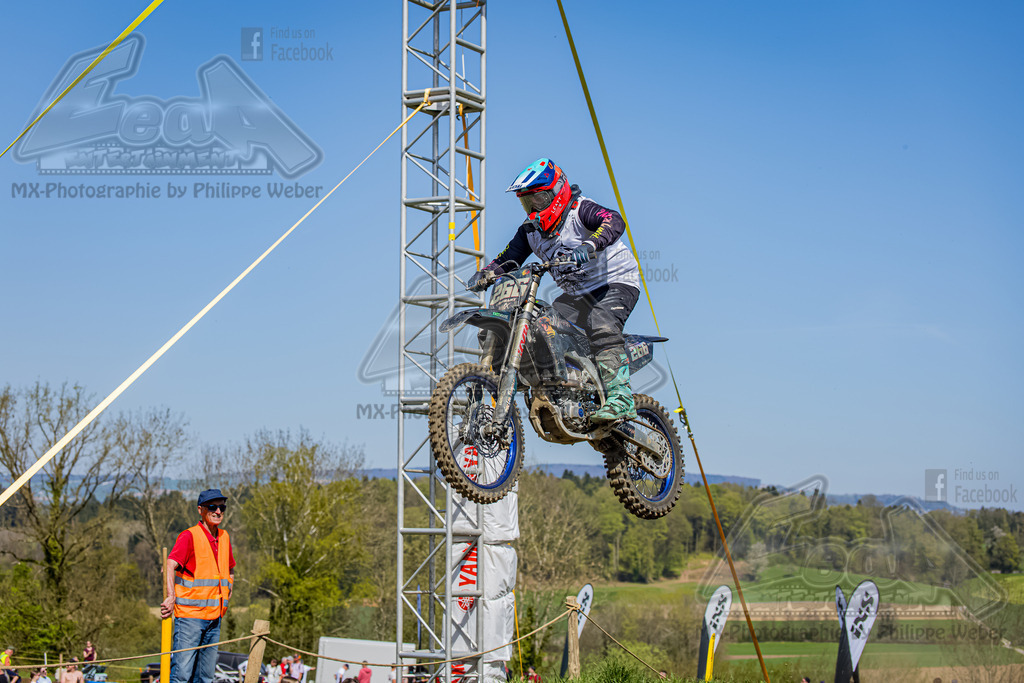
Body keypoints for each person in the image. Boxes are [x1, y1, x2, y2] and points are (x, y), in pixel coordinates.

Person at [468, 158, 642, 423]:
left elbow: (613, 221)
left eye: (538, 199)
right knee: (542, 325)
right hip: (577, 295)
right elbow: (509, 256)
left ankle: (621, 398)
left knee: (601, 322)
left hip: (615, 282)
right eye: (527, 202)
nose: (533, 208)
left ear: (557, 192)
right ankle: (563, 384)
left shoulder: (580, 210)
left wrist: (591, 244)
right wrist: (488, 273)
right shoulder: (530, 230)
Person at [161, 489, 235, 683]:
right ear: (200, 510)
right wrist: (171, 597)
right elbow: (170, 564)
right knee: (182, 676)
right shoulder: (189, 536)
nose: (218, 511)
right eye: (213, 507)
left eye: (222, 507)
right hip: (190, 619)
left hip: (214, 619)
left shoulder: (225, 537)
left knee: (205, 677)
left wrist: (228, 592)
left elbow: (230, 569)